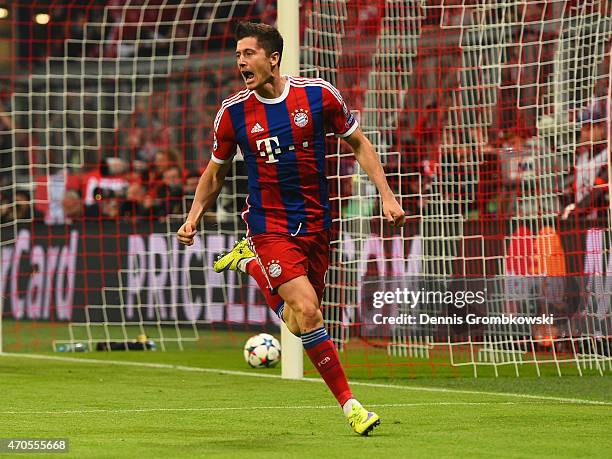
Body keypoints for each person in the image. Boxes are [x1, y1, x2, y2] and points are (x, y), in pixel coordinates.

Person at [177, 21, 405, 436]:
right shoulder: (232, 114)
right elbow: (215, 173)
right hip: (269, 225)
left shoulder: (317, 95)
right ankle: (351, 405)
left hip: (318, 224)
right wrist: (194, 216)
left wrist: (386, 195)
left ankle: (249, 264)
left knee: (301, 324)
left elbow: (359, 144)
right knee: (308, 309)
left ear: (273, 58)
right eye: (237, 55)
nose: (240, 61)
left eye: (248, 53)